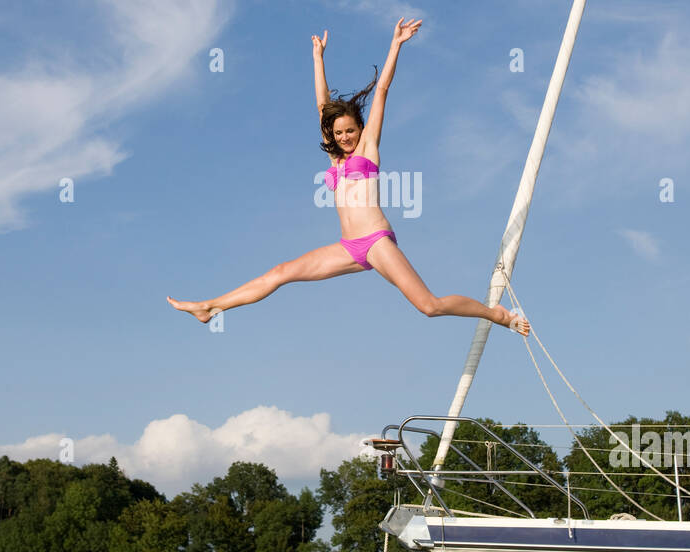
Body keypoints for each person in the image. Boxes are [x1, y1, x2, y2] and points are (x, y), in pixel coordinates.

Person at [168, 18, 529, 335]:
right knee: (280, 272)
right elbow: (322, 106)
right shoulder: (336, 158)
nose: (343, 137)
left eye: (349, 131)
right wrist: (317, 59)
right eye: (338, 133)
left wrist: (395, 45)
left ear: (360, 129)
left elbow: (383, 90)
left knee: (428, 306)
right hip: (348, 248)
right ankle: (210, 307)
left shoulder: (368, 148)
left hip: (375, 241)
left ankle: (496, 315)